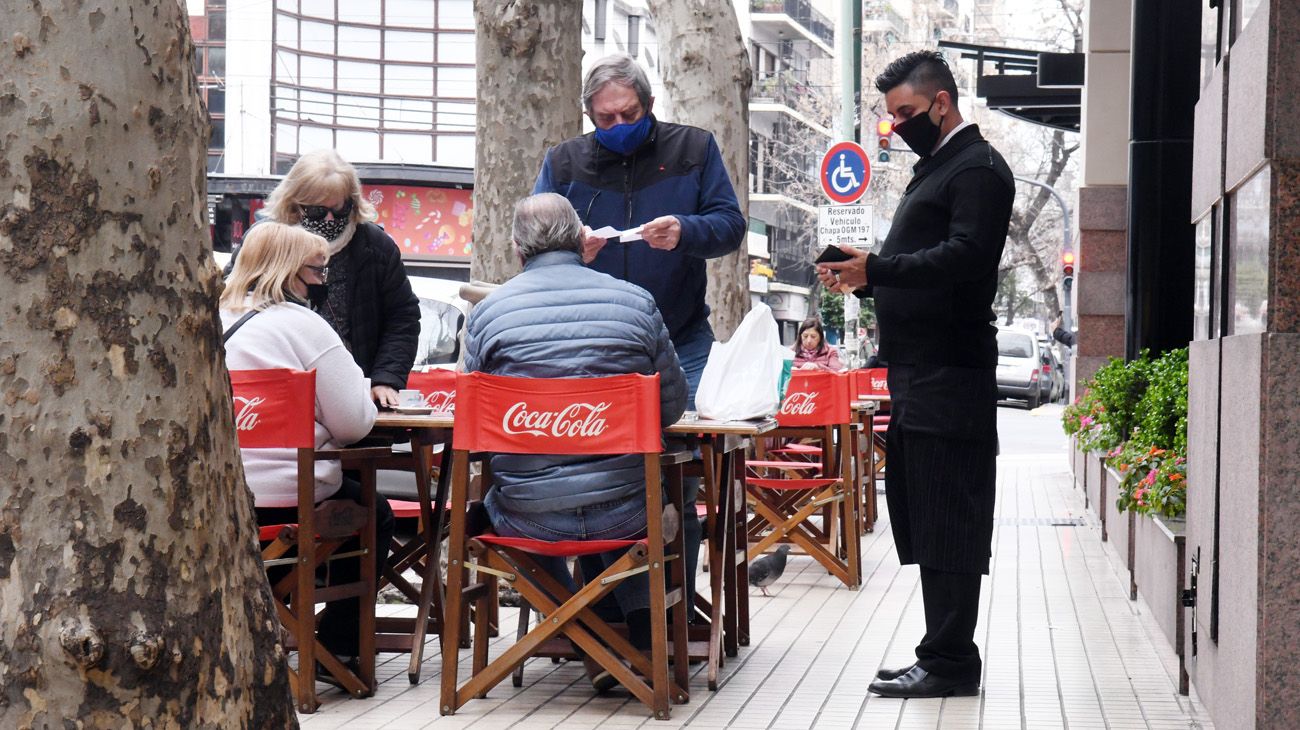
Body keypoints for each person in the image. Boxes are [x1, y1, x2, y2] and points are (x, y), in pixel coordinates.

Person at [816, 50, 1014, 699]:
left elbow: (964, 257)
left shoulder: (977, 168)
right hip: (924, 372)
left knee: (951, 515)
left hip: (949, 374)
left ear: (940, 102)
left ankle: (952, 660)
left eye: (904, 113)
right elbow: (920, 268)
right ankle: (940, 651)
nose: (896, 125)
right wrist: (865, 276)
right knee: (930, 512)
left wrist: (879, 270)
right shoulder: (942, 167)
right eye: (891, 116)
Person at [533, 53, 746, 610]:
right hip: (591, 343)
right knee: (600, 472)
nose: (618, 126)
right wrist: (569, 249)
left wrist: (686, 230)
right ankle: (607, 620)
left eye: (629, 114)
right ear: (589, 116)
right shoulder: (564, 161)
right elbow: (532, 238)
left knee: (680, 472)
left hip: (680, 336)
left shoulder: (693, 149)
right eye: (606, 119)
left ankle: (669, 610)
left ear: (649, 106)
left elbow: (730, 226)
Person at [463, 193, 687, 687]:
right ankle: (630, 644)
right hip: (628, 513)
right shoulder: (636, 303)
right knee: (633, 490)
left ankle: (587, 633)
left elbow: (472, 422)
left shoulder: (488, 314)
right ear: (582, 241)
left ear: (518, 249)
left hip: (525, 517)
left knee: (537, 495)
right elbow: (670, 408)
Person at [220, 221, 396, 662]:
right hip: (290, 503)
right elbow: (354, 424)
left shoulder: (207, 317)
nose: (324, 282)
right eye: (318, 272)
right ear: (289, 273)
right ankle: (338, 649)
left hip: (218, 500)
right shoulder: (304, 326)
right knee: (373, 511)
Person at [262, 149, 421, 408]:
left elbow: (403, 318)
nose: (329, 219)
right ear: (294, 205)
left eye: (339, 210)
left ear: (352, 203)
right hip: (279, 396)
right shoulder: (265, 244)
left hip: (356, 396)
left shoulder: (376, 246)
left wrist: (385, 379)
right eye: (316, 212)